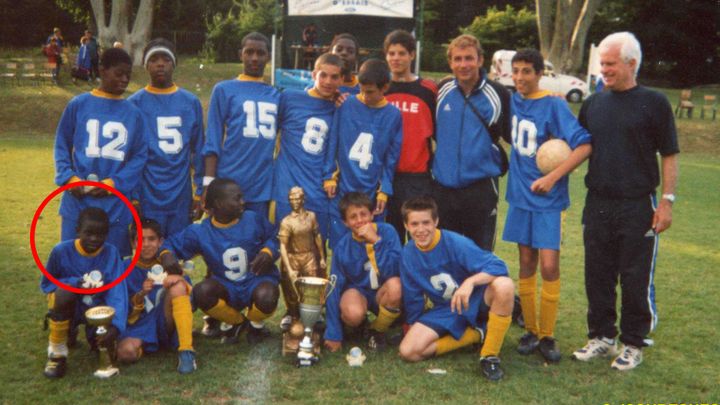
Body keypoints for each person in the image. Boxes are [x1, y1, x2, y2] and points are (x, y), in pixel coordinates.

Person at [573, 32, 679, 371]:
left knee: (635, 277)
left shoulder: (655, 102)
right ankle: (602, 338)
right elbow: (580, 147)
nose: (604, 69)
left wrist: (666, 201)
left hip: (638, 204)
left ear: (631, 63)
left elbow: (670, 155)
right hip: (598, 202)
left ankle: (633, 343)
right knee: (597, 274)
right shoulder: (593, 103)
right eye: (601, 63)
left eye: (610, 63)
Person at [502, 49, 592, 363]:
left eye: (527, 71)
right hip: (519, 197)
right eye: (516, 71)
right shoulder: (511, 101)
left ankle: (548, 335)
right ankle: (531, 330)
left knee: (550, 266)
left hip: (548, 200)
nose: (520, 77)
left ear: (540, 73)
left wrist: (553, 176)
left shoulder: (553, 103)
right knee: (526, 263)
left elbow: (584, 145)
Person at [398, 197, 514, 381]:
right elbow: (413, 295)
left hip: (476, 299)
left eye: (426, 222)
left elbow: (500, 267)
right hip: (447, 308)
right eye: (414, 224)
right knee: (408, 351)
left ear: (436, 221)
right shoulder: (407, 254)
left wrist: (470, 283)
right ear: (406, 225)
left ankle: (489, 355)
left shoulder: (456, 243)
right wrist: (412, 324)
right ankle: (476, 335)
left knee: (504, 285)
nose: (421, 229)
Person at [160, 178, 280, 345]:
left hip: (255, 280)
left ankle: (254, 323)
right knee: (202, 291)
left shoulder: (252, 219)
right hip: (226, 285)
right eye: (236, 198)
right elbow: (169, 244)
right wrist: (166, 254)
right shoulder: (200, 230)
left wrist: (268, 251)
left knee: (267, 295)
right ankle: (237, 322)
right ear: (219, 203)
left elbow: (276, 236)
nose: (242, 202)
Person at [54, 47, 148, 258]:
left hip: (114, 202)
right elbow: (62, 144)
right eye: (119, 73)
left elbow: (139, 156)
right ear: (102, 70)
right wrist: (68, 178)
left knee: (110, 265)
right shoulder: (79, 104)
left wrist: (114, 183)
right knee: (71, 260)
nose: (124, 79)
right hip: (77, 198)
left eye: (128, 75)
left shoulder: (134, 114)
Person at [432, 34, 511, 251]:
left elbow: (517, 133)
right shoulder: (441, 91)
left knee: (480, 256)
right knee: (446, 255)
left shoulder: (498, 94)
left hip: (481, 188)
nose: (463, 64)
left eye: (469, 58)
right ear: (450, 63)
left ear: (480, 60)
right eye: (457, 59)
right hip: (444, 190)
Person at [128, 38, 204, 237]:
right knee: (148, 254)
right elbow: (130, 156)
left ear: (174, 64)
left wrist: (199, 192)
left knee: (179, 255)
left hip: (180, 193)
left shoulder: (190, 102)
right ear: (146, 65)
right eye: (154, 59)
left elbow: (198, 150)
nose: (160, 63)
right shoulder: (134, 104)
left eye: (166, 59)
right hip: (147, 193)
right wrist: (134, 198)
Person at [322, 58, 403, 248]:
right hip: (342, 188)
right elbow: (332, 142)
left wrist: (384, 190)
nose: (364, 95)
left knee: (370, 245)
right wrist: (329, 176)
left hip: (372, 192)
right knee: (340, 245)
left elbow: (391, 157)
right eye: (361, 89)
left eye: (370, 91)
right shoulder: (346, 105)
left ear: (385, 88)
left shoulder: (393, 115)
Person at [41, 207, 128, 378]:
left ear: (107, 233)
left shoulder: (111, 253)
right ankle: (57, 354)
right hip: (69, 305)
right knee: (64, 293)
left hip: (96, 308)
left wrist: (116, 326)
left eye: (100, 234)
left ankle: (94, 340)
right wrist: (74, 284)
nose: (94, 239)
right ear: (77, 230)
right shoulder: (60, 251)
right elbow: (47, 284)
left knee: (107, 351)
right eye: (88, 233)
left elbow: (117, 291)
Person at [203, 32, 279, 219]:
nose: (254, 58)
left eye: (260, 53)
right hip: (228, 181)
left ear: (268, 56)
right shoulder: (224, 89)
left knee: (256, 238)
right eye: (249, 52)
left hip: (261, 185)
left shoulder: (277, 95)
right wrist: (208, 183)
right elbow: (213, 138)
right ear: (240, 54)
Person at [273, 52, 343, 240]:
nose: (328, 81)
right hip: (287, 185)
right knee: (286, 247)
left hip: (318, 188)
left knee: (315, 251)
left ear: (341, 79)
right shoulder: (289, 98)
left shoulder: (339, 107)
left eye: (334, 76)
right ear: (313, 75)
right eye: (323, 75)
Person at [323, 192, 403, 353]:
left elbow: (395, 270)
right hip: (359, 292)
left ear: (372, 214)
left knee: (395, 286)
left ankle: (377, 331)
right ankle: (356, 325)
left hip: (383, 291)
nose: (359, 220)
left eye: (363, 214)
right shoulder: (342, 247)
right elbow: (334, 287)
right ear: (345, 222)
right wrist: (333, 333)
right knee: (353, 314)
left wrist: (376, 242)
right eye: (353, 217)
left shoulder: (387, 232)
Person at [116, 218, 196, 374]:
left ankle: (186, 351)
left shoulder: (169, 264)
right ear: (133, 243)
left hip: (165, 322)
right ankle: (146, 345)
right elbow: (122, 309)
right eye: (140, 240)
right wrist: (142, 294)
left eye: (151, 239)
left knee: (178, 286)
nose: (146, 245)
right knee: (126, 353)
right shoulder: (124, 268)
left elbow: (190, 298)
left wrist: (177, 278)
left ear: (161, 242)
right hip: (139, 325)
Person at [383, 29, 437, 242]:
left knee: (420, 236)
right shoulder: (382, 89)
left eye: (401, 53)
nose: (396, 58)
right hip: (387, 176)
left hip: (418, 177)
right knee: (392, 237)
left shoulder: (428, 89)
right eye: (391, 53)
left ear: (412, 55)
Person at [277, 187, 327, 329]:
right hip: (293, 257)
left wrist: (322, 257)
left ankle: (314, 314)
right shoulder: (286, 222)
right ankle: (292, 314)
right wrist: (288, 267)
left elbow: (317, 236)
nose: (294, 202)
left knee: (312, 287)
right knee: (291, 289)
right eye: (291, 199)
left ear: (303, 199)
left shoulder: (311, 216)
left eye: (297, 198)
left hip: (309, 256)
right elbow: (283, 246)